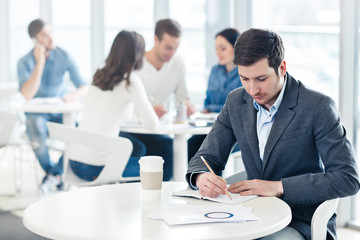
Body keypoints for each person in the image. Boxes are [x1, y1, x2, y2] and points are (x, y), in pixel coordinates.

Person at [186, 28, 360, 240]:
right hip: (250, 214)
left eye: (261, 78)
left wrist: (279, 187)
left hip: (300, 221)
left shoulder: (318, 107)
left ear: (282, 67)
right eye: (244, 78)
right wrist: (201, 177)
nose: (252, 90)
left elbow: (347, 178)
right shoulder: (236, 102)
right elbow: (206, 157)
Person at [71, 30, 158, 180]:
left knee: (138, 148)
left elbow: (115, 115)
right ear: (137, 55)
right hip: (96, 168)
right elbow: (152, 124)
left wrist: (135, 117)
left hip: (73, 162)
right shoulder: (130, 81)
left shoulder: (98, 75)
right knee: (156, 165)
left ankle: (118, 195)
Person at [120, 18, 195, 181]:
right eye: (168, 47)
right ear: (155, 40)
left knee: (171, 149)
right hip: (130, 128)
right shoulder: (136, 64)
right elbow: (122, 105)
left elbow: (182, 99)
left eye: (176, 48)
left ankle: (162, 194)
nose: (172, 53)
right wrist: (146, 113)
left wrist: (186, 106)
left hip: (153, 129)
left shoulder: (177, 63)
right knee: (143, 150)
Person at [17, 19, 88, 193]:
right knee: (36, 130)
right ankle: (55, 174)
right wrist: (39, 63)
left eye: (50, 33)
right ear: (35, 39)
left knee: (80, 133)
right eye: (44, 35)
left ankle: (52, 175)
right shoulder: (25, 62)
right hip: (37, 115)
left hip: (59, 112)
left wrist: (73, 95)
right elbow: (26, 94)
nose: (50, 38)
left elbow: (84, 86)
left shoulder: (64, 55)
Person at [188, 28, 242, 161]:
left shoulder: (244, 74)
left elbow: (236, 107)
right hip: (210, 128)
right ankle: (194, 181)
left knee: (213, 150)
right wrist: (203, 110)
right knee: (190, 147)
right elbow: (208, 101)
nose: (218, 53)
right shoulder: (214, 71)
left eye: (222, 48)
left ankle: (215, 181)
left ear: (235, 48)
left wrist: (211, 108)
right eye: (216, 48)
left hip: (234, 131)